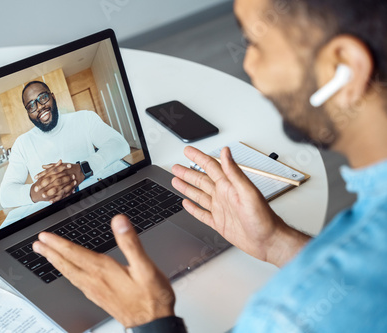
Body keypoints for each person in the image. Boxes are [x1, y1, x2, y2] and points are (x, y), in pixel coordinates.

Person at [33, 0, 387, 331]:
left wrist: (151, 320)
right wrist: (277, 243)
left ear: (345, 68)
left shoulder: (285, 315)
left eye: (257, 43)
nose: (247, 64)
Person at [0, 81, 130, 208]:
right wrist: (38, 191)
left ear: (53, 97)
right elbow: (5, 195)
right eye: (31, 106)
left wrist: (82, 170)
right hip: (55, 213)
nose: (39, 107)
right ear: (28, 114)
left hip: (97, 198)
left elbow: (120, 144)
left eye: (43, 97)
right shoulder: (22, 144)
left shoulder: (85, 118)